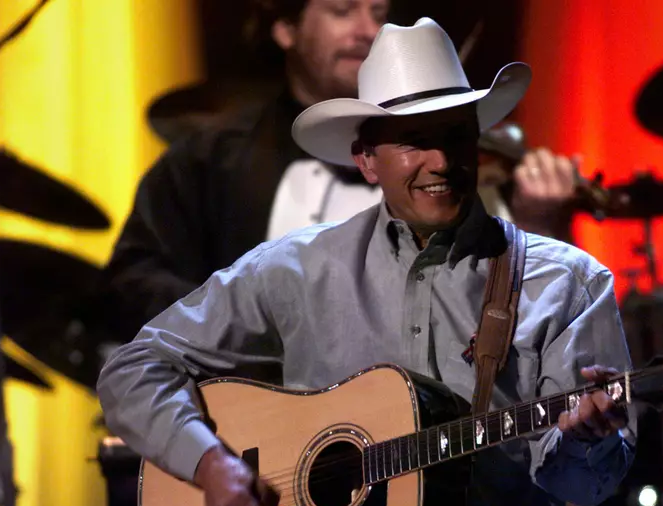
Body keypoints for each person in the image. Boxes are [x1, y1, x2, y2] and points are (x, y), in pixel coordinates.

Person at [97, 17, 635, 506]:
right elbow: (134, 368)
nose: (440, 163)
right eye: (414, 141)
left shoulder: (566, 281)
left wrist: (584, 441)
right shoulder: (294, 270)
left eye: (454, 136)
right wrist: (212, 466)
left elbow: (585, 487)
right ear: (366, 159)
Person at [101, 0, 581, 346]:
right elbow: (131, 283)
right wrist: (245, 325)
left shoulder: (454, 165)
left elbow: (524, 328)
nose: (366, 30)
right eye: (341, 10)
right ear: (286, 28)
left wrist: (544, 227)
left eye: (377, 11)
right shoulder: (214, 157)